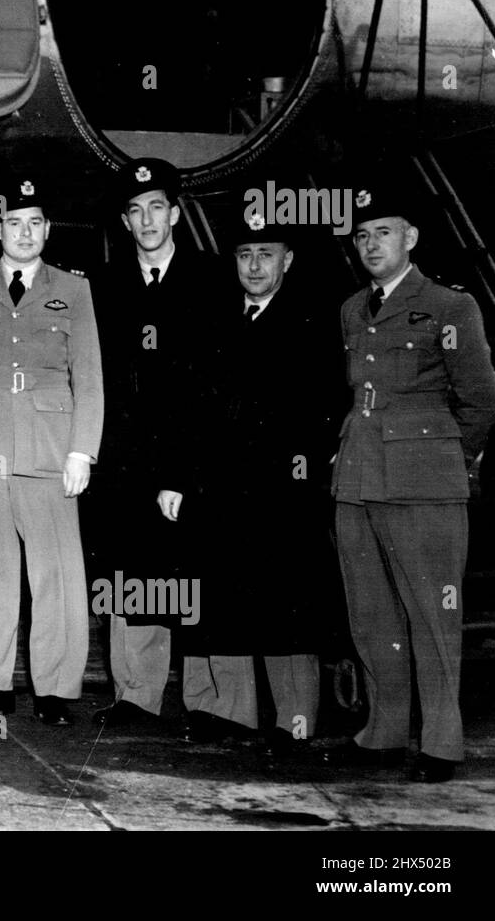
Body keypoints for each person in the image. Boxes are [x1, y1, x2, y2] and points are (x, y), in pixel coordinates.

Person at [327, 185, 495, 782]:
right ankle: (383, 731)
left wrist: (445, 457)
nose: (371, 245)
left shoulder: (453, 307)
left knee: (433, 615)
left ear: (412, 239)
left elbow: (481, 399)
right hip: (357, 479)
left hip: (424, 485)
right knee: (370, 614)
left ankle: (442, 744)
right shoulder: (353, 308)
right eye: (362, 235)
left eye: (384, 232)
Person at [155, 211, 347, 753]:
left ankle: (295, 723)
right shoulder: (215, 321)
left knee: (288, 605)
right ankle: (230, 715)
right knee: (224, 599)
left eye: (266, 254)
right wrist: (176, 478)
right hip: (219, 488)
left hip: (283, 489)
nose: (255, 265)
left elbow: (329, 408)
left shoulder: (313, 322)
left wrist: (304, 470)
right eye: (244, 255)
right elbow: (186, 409)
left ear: (287, 260)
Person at [0, 174, 102, 725]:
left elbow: (90, 377)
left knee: (55, 576)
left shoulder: (73, 289)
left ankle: (54, 692)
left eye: (35, 223)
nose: (25, 233)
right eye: (15, 223)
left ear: (48, 229)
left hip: (49, 452)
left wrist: (83, 451)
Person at [87, 157, 226, 735]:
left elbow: (216, 381)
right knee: (132, 572)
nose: (147, 219)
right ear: (125, 220)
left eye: (156, 207)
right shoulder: (105, 284)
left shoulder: (213, 278)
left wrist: (184, 467)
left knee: (195, 575)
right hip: (125, 458)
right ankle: (136, 695)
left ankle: (209, 703)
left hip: (191, 453)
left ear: (175, 212)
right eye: (135, 210)